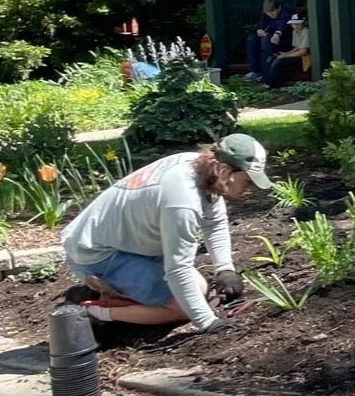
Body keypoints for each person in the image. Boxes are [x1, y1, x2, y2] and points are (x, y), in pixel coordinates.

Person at [59, 134, 271, 330]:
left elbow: (214, 222)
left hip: (127, 242)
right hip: (98, 254)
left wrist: (225, 269)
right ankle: (90, 312)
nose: (249, 188)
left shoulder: (199, 167)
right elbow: (177, 269)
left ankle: (114, 293)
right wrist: (208, 322)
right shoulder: (182, 200)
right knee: (182, 308)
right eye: (248, 181)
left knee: (198, 289)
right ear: (226, 171)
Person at [246, 0, 294, 76]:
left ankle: (266, 71)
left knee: (265, 40)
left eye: (273, 11)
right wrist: (259, 30)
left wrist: (277, 33)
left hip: (284, 40)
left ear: (278, 7)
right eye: (268, 12)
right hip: (269, 39)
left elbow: (284, 24)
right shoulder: (266, 14)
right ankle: (255, 70)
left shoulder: (286, 12)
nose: (271, 14)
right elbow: (261, 25)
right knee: (251, 39)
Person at [260, 16, 310, 87]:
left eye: (298, 24)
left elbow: (303, 51)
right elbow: (296, 47)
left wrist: (285, 56)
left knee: (279, 61)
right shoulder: (295, 31)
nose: (295, 26)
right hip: (297, 54)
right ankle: (264, 80)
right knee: (273, 57)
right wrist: (286, 53)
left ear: (303, 23)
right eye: (293, 24)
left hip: (304, 58)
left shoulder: (306, 31)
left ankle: (270, 84)